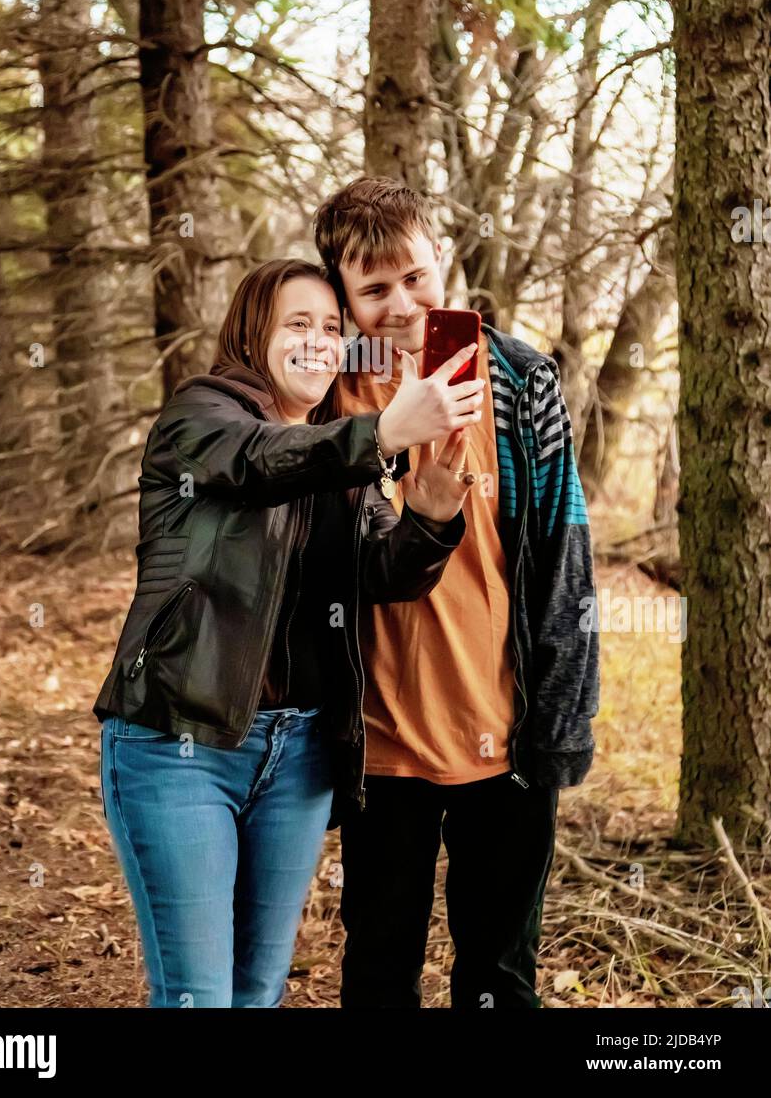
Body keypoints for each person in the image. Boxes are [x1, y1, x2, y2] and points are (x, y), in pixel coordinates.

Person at [92, 256, 485, 1008]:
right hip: (181, 747)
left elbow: (384, 573)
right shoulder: (199, 418)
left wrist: (432, 514)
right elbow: (258, 463)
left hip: (298, 754)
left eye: (332, 327)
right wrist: (387, 430)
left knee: (258, 990)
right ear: (253, 333)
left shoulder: (342, 450)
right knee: (198, 996)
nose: (318, 339)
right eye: (296, 324)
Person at [312, 178, 599, 1009]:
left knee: (500, 974)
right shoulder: (328, 395)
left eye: (414, 276)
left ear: (443, 261)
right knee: (378, 966)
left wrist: (560, 719)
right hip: (380, 746)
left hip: (504, 738)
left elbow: (562, 554)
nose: (400, 304)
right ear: (343, 296)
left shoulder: (517, 380)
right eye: (372, 289)